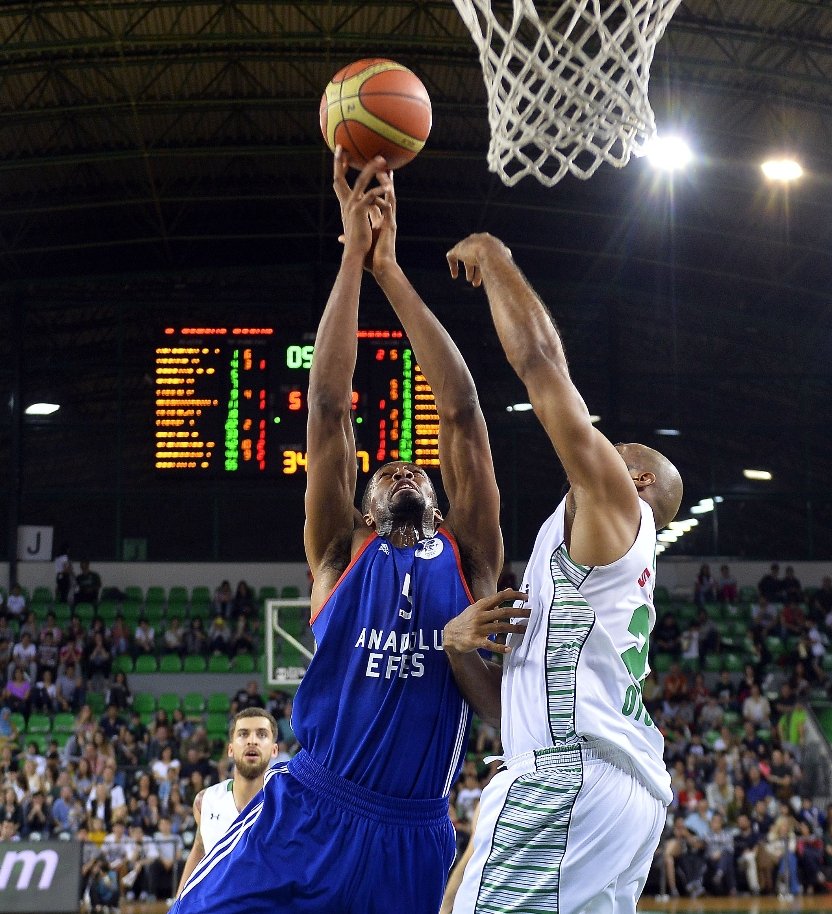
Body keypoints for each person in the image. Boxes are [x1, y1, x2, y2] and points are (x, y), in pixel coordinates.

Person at [172, 154, 505, 914]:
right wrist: (355, 257)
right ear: (361, 508)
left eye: (416, 471)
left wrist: (394, 270)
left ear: (440, 498)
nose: (405, 474)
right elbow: (326, 406)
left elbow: (462, 412)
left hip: (413, 831)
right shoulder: (338, 553)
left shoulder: (472, 558)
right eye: (386, 472)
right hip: (310, 809)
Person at [441, 232, 683, 914]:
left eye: (619, 447)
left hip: (573, 776)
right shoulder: (590, 560)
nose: (606, 447)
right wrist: (460, 648)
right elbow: (510, 708)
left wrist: (498, 260)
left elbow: (543, 366)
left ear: (634, 476)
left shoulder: (616, 502)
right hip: (608, 786)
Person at [175, 708, 278, 896]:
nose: (252, 740)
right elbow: (199, 848)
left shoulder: (289, 804)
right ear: (230, 749)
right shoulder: (205, 801)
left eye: (262, 734)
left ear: (274, 749)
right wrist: (178, 904)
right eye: (243, 734)